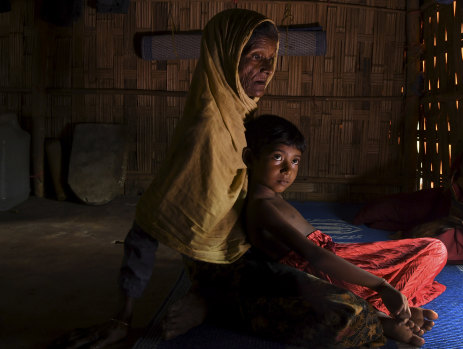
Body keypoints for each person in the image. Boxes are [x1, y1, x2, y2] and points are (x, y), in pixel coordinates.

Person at [52, 9, 397, 349]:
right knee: (346, 318)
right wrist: (121, 318)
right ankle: (215, 304)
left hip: (253, 255)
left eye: (271, 59)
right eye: (254, 57)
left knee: (360, 298)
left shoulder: (236, 112)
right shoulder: (207, 131)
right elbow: (146, 223)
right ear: (225, 57)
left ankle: (213, 303)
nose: (266, 69)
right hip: (224, 271)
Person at [242, 114, 448, 346]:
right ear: (250, 158)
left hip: (334, 257)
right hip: (323, 269)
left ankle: (391, 309)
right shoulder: (262, 207)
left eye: (295, 161)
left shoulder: (270, 199)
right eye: (277, 157)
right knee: (434, 248)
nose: (288, 169)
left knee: (426, 259)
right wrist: (382, 286)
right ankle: (384, 313)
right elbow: (315, 256)